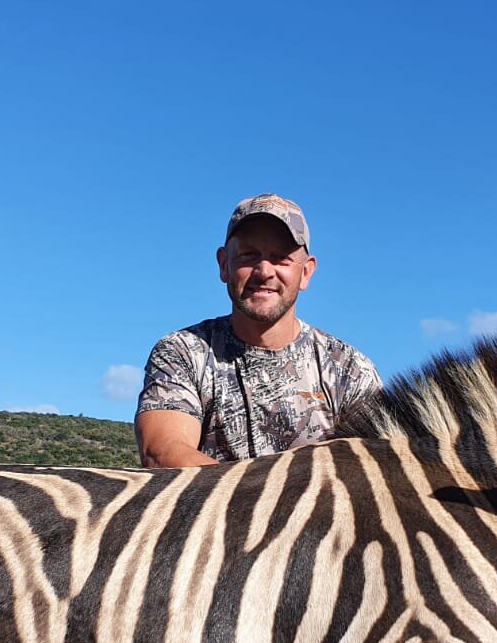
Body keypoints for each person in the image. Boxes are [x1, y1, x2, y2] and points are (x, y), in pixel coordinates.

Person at [135, 193, 382, 467]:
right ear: (224, 265)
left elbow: (376, 468)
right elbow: (163, 452)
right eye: (248, 255)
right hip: (210, 510)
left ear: (306, 272)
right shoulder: (183, 352)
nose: (264, 271)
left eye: (281, 258)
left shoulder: (349, 369)